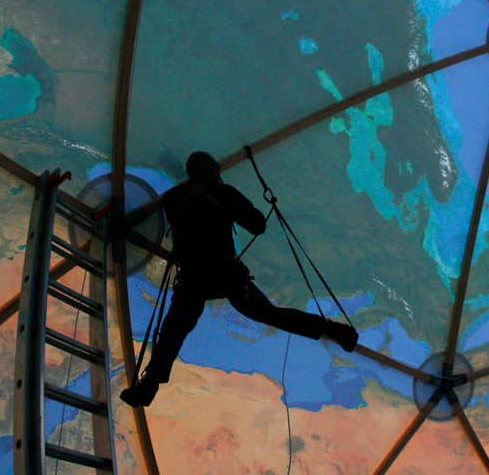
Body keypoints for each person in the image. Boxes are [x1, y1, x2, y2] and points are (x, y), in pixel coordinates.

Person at [120, 151, 359, 407]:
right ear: (214, 171)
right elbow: (257, 225)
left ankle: (149, 386)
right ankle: (337, 331)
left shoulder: (173, 198)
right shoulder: (224, 193)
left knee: (173, 331)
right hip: (226, 273)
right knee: (269, 313)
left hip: (192, 277)